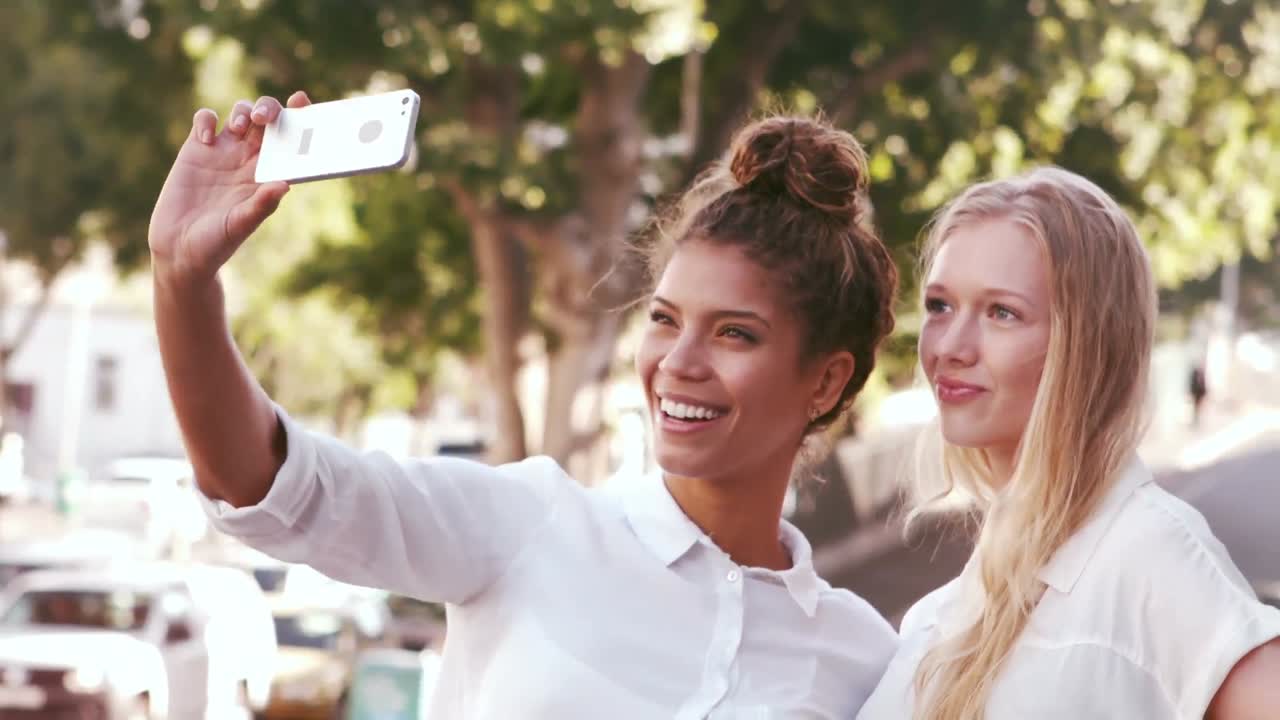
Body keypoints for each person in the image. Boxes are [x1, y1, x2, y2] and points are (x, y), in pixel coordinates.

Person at [148, 91, 901, 718]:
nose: (679, 363)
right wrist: (184, 283)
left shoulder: (863, 657)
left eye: (735, 333)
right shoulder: (531, 524)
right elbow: (273, 487)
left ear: (827, 381)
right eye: (665, 320)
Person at [856, 167, 1280, 720]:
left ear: (1086, 343)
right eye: (940, 306)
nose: (951, 346)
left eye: (1002, 313)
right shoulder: (942, 615)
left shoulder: (1147, 554)